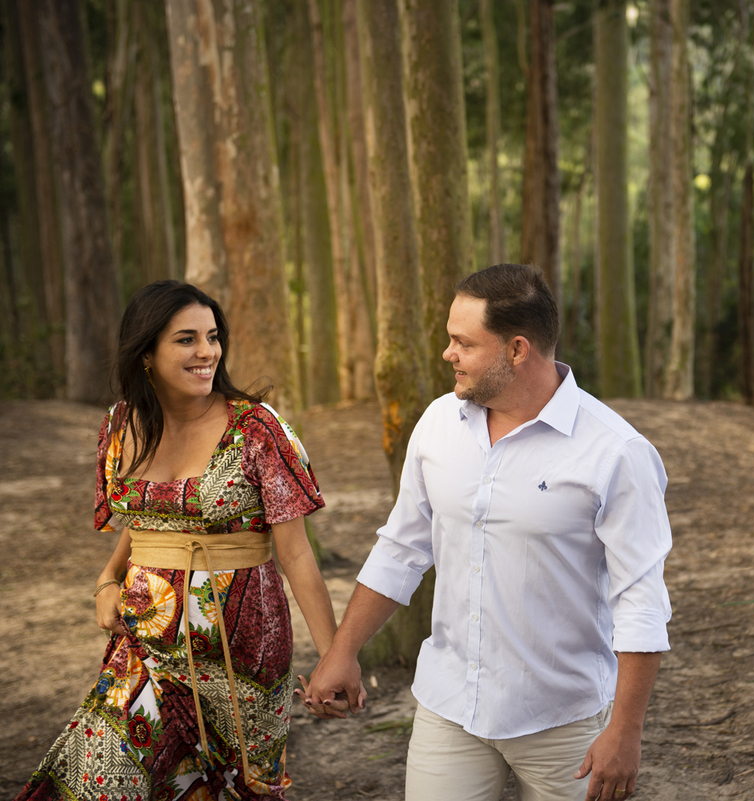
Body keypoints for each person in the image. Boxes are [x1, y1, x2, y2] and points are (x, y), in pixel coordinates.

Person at [302, 263, 672, 801]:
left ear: (517, 350)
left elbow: (641, 601)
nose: (447, 354)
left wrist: (626, 731)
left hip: (564, 722)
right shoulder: (438, 424)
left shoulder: (617, 452)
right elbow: (402, 548)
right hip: (448, 708)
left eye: (463, 343)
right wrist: (343, 650)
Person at [16, 280, 338, 801]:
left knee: (238, 789)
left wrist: (333, 657)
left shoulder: (256, 428)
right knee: (94, 778)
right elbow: (148, 521)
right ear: (146, 352)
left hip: (242, 657)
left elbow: (297, 553)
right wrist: (107, 578)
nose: (206, 351)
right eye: (186, 339)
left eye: (212, 336)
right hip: (146, 643)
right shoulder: (121, 425)